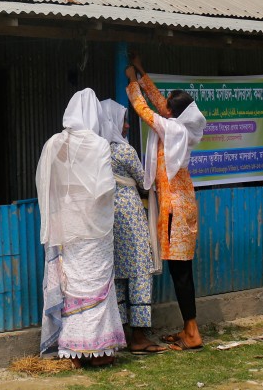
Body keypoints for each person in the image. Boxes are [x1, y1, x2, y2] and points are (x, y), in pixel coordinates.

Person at [37, 88, 126, 365]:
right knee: (96, 280)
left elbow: (46, 184)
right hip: (94, 225)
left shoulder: (54, 143)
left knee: (73, 282)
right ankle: (98, 351)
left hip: (67, 223)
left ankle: (75, 351)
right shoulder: (99, 144)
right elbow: (104, 188)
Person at [124, 56, 206, 349]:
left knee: (181, 273)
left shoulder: (172, 130)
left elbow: (145, 110)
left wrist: (132, 82)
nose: (165, 107)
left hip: (176, 209)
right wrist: (143, 73)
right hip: (181, 205)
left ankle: (192, 333)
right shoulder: (179, 126)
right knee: (181, 272)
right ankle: (189, 329)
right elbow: (160, 104)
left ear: (175, 113)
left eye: (170, 106)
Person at [98, 98, 167, 353]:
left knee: (116, 273)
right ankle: (139, 337)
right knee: (139, 268)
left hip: (106, 217)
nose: (127, 126)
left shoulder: (97, 150)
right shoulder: (125, 151)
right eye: (123, 120)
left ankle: (121, 333)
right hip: (129, 214)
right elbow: (144, 180)